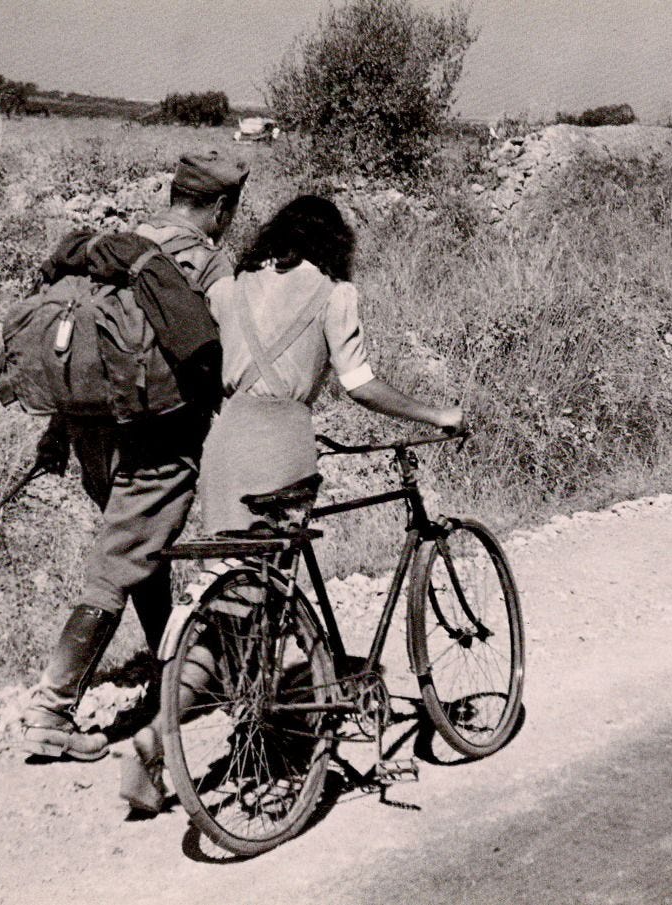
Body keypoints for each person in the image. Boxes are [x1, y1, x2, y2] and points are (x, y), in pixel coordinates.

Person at [118, 194, 463, 812]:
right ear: (334, 245)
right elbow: (359, 383)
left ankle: (219, 729)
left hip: (225, 446)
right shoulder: (335, 295)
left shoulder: (230, 289)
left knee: (235, 597)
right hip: (283, 445)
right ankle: (168, 741)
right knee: (263, 600)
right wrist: (434, 412)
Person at [21, 151, 250, 763]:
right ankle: (52, 706)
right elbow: (232, 351)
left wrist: (56, 435)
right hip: (159, 438)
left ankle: (172, 671)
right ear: (221, 208)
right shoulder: (205, 260)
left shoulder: (117, 245)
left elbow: (82, 349)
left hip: (92, 433)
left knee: (140, 550)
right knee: (119, 562)